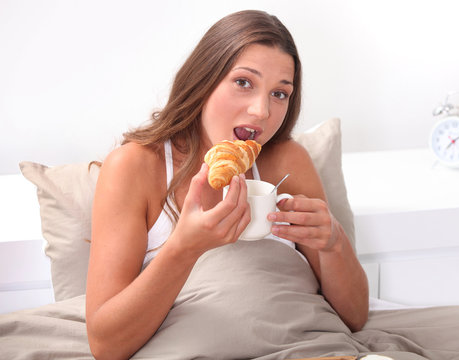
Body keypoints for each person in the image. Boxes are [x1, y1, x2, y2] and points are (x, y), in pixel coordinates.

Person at [85, 9, 369, 360]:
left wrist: (333, 243)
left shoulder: (286, 161)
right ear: (204, 80)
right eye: (243, 82)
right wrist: (184, 249)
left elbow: (355, 317)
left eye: (280, 93)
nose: (261, 111)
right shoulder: (136, 166)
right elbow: (105, 345)